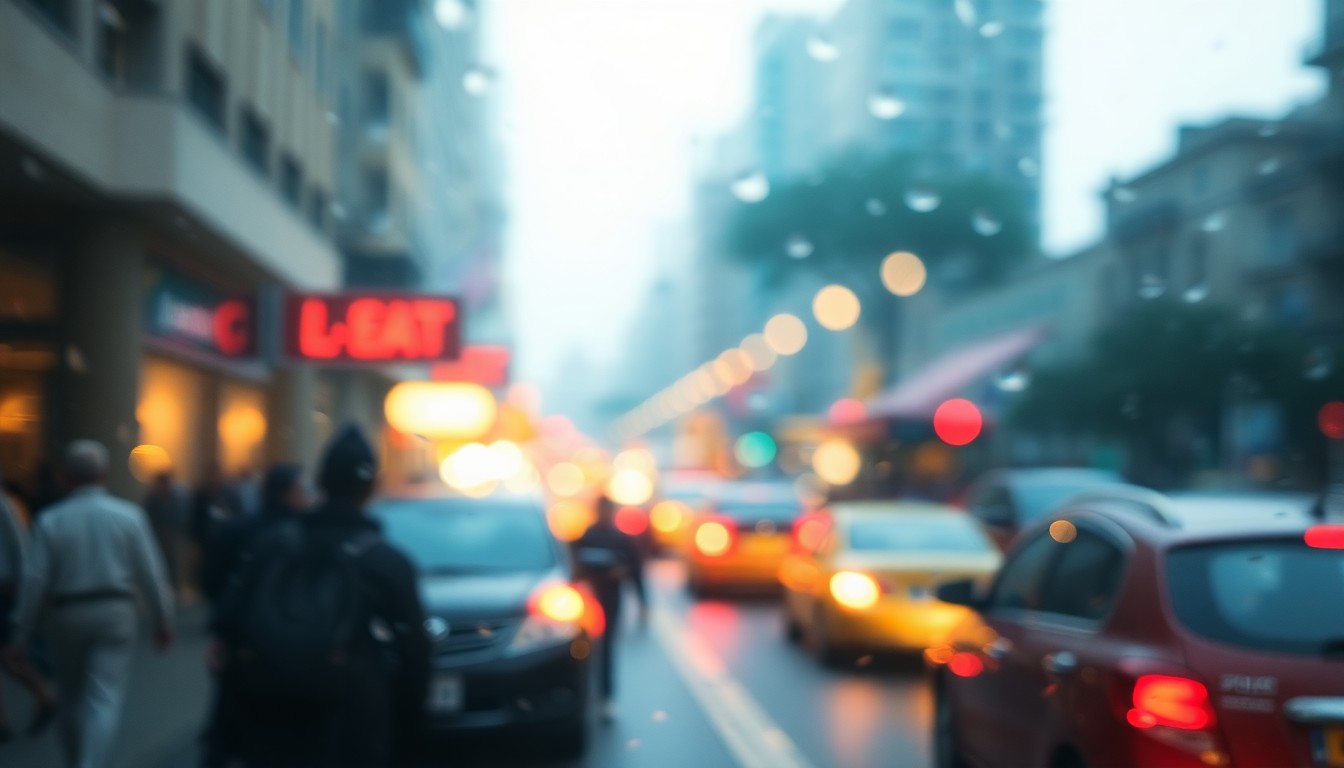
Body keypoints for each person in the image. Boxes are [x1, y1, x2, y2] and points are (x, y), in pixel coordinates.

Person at [210, 426, 430, 768]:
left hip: (269, 716)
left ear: (320, 483)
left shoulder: (273, 544)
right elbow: (415, 652)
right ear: (373, 486)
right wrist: (407, 731)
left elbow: (226, 630)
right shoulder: (386, 561)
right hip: (352, 720)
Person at [3, 440, 175, 768]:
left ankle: (77, 761)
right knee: (104, 696)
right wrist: (162, 619)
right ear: (105, 475)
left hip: (66, 612)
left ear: (65, 477)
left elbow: (34, 580)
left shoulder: (51, 520)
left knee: (70, 694)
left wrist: (20, 633)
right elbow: (151, 573)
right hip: (116, 610)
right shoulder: (129, 516)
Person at [571, 495, 648, 719]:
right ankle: (585, 694)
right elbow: (574, 568)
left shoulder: (621, 539)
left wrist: (643, 602)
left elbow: (635, 570)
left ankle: (606, 696)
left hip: (612, 598)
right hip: (588, 600)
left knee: (606, 648)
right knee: (581, 649)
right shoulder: (587, 536)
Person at [0, 464, 57, 743]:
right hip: (6, 584)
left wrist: (23, 586)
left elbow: (18, 544)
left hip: (4, 587)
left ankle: (43, 694)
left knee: (7, 653)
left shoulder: (4, 505)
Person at [142, 470, 188, 598]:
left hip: (173, 536)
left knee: (174, 564)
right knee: (159, 563)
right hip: (158, 537)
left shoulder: (176, 498)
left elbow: (181, 516)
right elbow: (148, 517)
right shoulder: (152, 498)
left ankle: (175, 589)